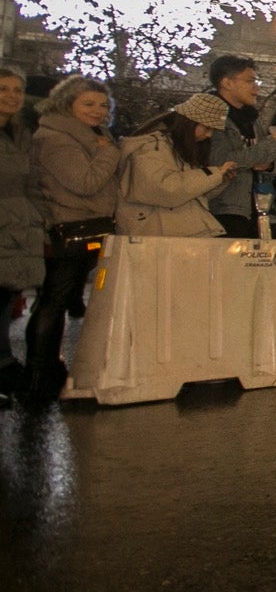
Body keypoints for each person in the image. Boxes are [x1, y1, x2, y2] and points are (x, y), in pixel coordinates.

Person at [27, 75, 122, 398]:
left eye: (102, 105)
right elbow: (85, 182)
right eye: (88, 104)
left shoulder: (91, 137)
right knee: (53, 300)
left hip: (83, 224)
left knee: (57, 299)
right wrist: (110, 152)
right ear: (67, 103)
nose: (97, 111)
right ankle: (40, 371)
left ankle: (47, 368)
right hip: (68, 226)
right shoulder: (56, 139)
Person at [116, 94, 235, 238]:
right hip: (154, 237)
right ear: (189, 122)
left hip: (170, 234)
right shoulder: (151, 147)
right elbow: (166, 189)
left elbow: (189, 195)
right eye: (207, 128)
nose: (209, 135)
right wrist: (213, 174)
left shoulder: (178, 148)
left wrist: (219, 180)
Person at [207, 56, 276, 238]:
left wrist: (269, 165)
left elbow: (269, 160)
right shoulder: (213, 117)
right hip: (224, 208)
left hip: (258, 207)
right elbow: (223, 161)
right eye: (250, 81)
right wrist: (274, 144)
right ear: (227, 83)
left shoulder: (252, 118)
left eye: (256, 81)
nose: (256, 88)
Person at [0, 67, 44, 405]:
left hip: (16, 228)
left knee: (5, 300)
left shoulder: (19, 133)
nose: (12, 96)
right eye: (3, 89)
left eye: (17, 89)